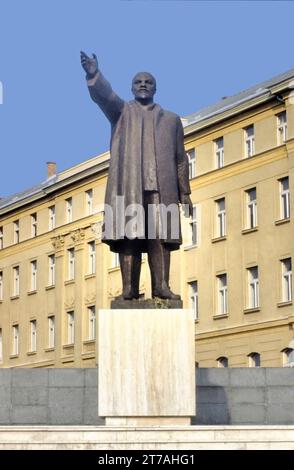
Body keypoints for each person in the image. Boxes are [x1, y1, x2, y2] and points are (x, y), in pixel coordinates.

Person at [80, 51, 192, 300]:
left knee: (161, 236)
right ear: (131, 88)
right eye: (138, 82)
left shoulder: (172, 120)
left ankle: (161, 286)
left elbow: (180, 157)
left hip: (162, 188)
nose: (143, 85)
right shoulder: (122, 112)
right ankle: (129, 288)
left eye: (148, 82)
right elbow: (105, 97)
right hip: (129, 184)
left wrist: (185, 191)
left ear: (155, 88)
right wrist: (94, 75)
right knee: (129, 234)